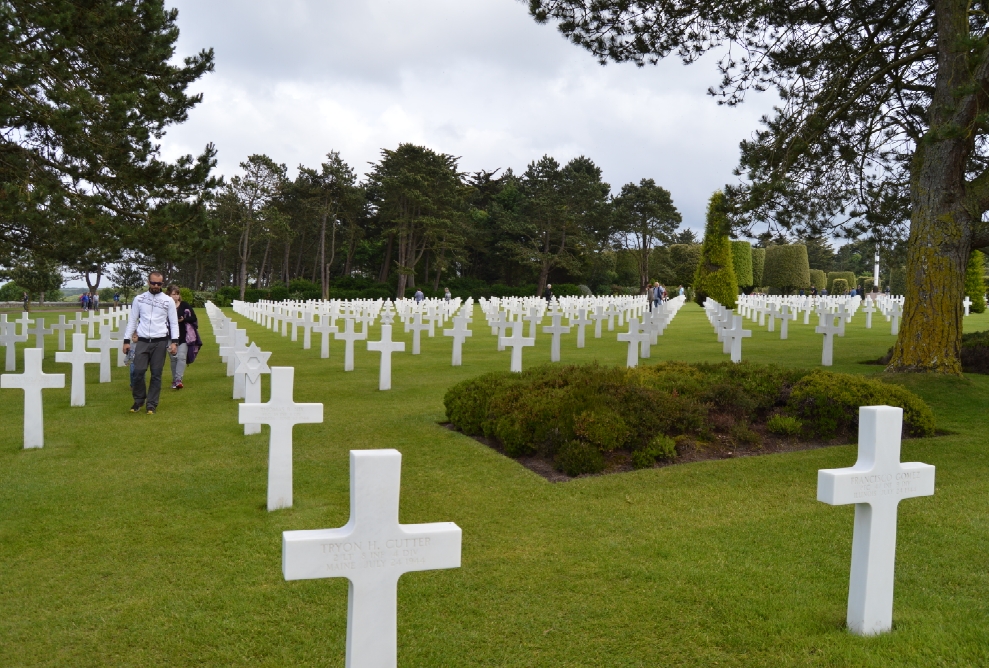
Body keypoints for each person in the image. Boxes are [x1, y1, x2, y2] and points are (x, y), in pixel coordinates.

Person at [122, 271, 179, 415]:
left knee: (156, 374)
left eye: (159, 283)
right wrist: (126, 340)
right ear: (148, 282)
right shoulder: (139, 299)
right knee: (138, 371)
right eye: (153, 283)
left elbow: (173, 323)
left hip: (160, 340)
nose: (156, 286)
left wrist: (175, 342)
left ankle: (151, 404)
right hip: (142, 340)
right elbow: (132, 320)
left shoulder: (168, 301)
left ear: (162, 284)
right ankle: (139, 400)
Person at [166, 285, 198, 389]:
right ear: (168, 295)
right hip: (169, 336)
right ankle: (174, 379)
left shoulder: (184, 305)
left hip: (184, 335)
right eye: (173, 294)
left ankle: (178, 380)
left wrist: (184, 319)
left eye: (177, 294)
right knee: (173, 358)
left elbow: (193, 317)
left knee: (181, 357)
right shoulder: (165, 306)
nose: (176, 296)